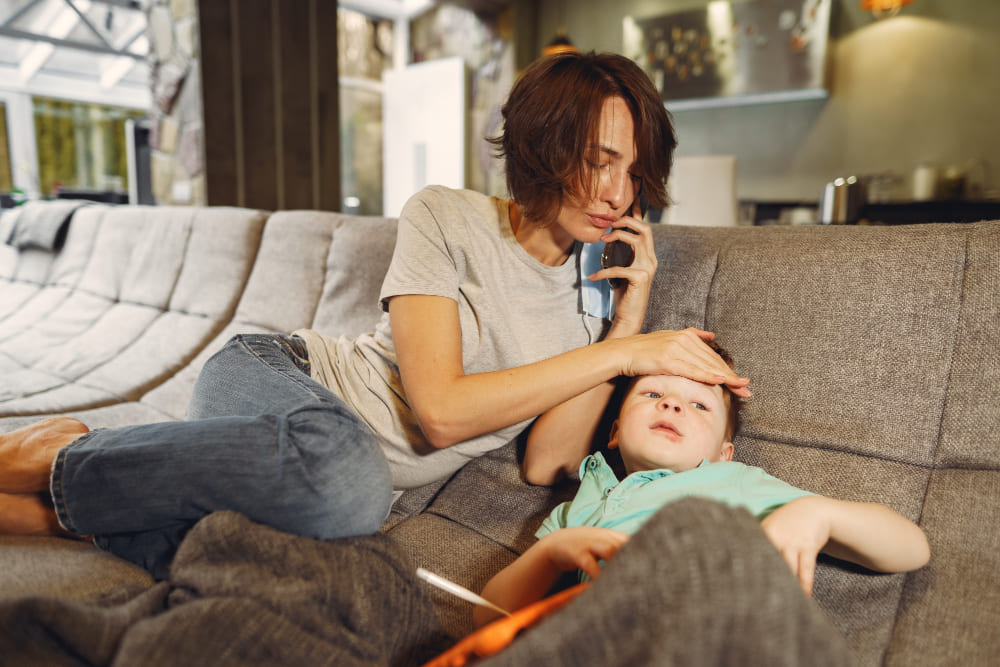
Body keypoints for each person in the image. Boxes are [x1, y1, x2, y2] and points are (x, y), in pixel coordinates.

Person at [0, 51, 750, 579]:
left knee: (298, 546)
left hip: (323, 483)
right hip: (283, 382)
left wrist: (627, 322)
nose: (619, 193)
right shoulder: (445, 217)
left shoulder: (596, 308)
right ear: (544, 144)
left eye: (633, 168)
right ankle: (60, 458)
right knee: (349, 483)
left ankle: (56, 502)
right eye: (598, 159)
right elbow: (442, 411)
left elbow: (545, 461)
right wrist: (625, 355)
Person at [474, 344, 930, 627]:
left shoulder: (730, 482)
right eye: (653, 394)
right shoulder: (583, 502)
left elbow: (911, 548)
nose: (672, 404)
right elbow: (486, 615)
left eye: (699, 405)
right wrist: (554, 550)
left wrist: (817, 514)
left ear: (723, 452)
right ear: (614, 432)